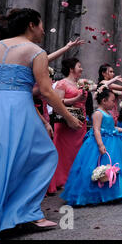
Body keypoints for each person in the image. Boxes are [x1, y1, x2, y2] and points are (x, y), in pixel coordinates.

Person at [0, 8, 83, 239]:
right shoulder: (35, 51)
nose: (44, 30)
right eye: (42, 25)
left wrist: (42, 117)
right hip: (18, 108)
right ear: (32, 25)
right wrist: (69, 117)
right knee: (45, 155)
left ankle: (13, 212)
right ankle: (23, 212)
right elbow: (47, 92)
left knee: (1, 158)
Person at [60, 86, 122, 206]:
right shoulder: (98, 113)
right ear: (104, 101)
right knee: (98, 165)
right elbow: (97, 130)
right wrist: (100, 144)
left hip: (112, 142)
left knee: (111, 166)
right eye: (112, 100)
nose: (114, 103)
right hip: (101, 142)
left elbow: (111, 128)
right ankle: (96, 193)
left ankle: (112, 192)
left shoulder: (107, 113)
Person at [47, 58, 88, 195]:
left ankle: (74, 178)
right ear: (71, 69)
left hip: (80, 121)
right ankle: (61, 179)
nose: (81, 69)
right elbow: (58, 102)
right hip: (66, 122)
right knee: (64, 152)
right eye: (79, 66)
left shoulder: (80, 84)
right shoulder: (62, 83)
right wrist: (76, 99)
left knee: (77, 151)